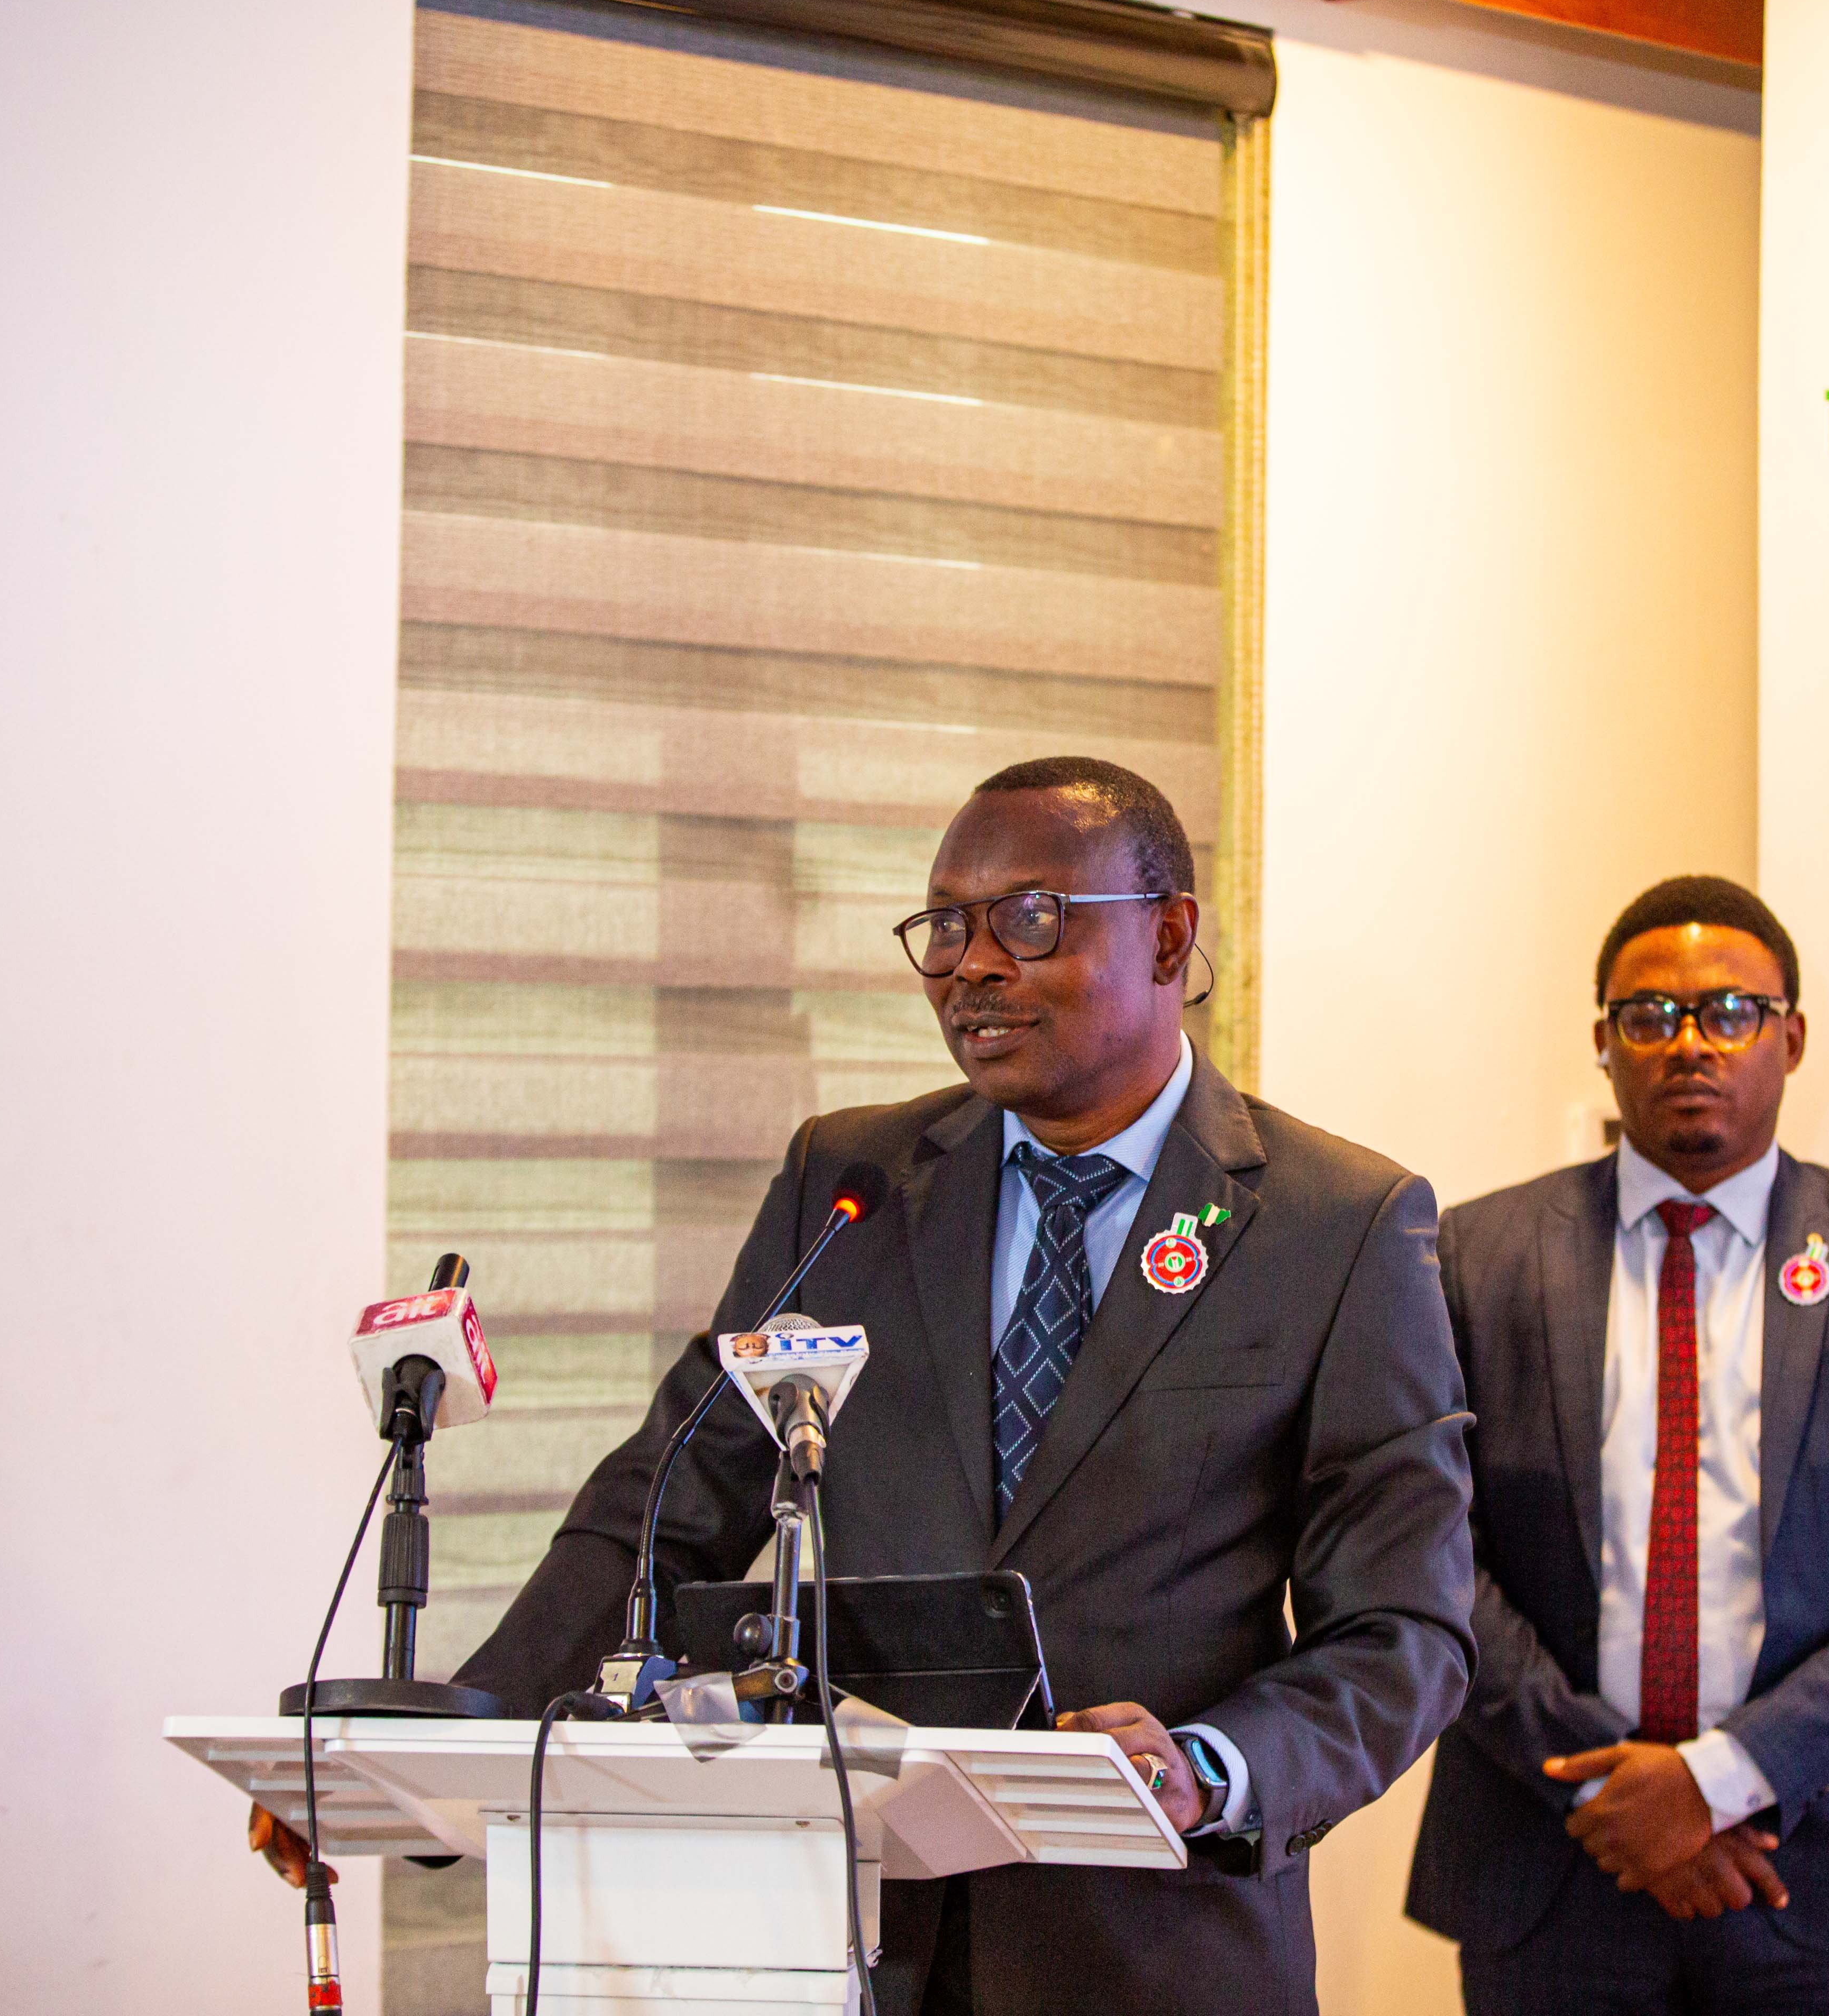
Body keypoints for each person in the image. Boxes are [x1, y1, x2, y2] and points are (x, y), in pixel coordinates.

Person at [450, 758, 1477, 2014]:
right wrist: (465, 1731)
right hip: (846, 1932)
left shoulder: (1339, 1224)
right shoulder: (852, 1181)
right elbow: (670, 1500)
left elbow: (1402, 1629)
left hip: (1154, 1944)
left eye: (1031, 919)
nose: (973, 965)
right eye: (947, 925)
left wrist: (1209, 1767)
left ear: (1170, 936)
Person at [1405, 876, 1829, 2015]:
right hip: (1551, 1866)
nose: (1691, 1044)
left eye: (1730, 1013)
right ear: (1602, 1041)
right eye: (1650, 1016)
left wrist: (1719, 1782)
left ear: (1791, 1037)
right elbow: (1432, 1556)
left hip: (1819, 1870)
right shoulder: (1475, 1256)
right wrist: (1612, 1795)